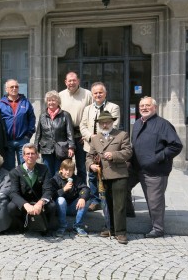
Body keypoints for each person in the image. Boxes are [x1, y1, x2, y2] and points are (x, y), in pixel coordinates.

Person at [131, 97, 183, 238]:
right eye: (141, 105)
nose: (144, 108)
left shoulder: (163, 124)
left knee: (154, 202)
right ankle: (128, 211)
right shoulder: (137, 124)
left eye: (147, 105)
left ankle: (158, 229)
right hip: (136, 169)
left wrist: (157, 158)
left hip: (155, 171)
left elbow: (176, 145)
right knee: (120, 186)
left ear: (155, 107)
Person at [86, 111, 132, 244]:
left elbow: (128, 152)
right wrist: (91, 166)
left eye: (107, 122)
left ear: (112, 122)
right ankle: (110, 228)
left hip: (118, 174)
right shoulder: (95, 138)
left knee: (119, 205)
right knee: (107, 204)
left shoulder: (121, 135)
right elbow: (89, 156)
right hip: (103, 176)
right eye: (102, 123)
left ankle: (121, 232)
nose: (105, 125)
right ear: (99, 124)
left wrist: (114, 155)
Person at [80, 82, 120, 212]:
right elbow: (83, 126)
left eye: (100, 92)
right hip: (90, 147)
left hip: (107, 147)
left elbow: (114, 126)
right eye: (95, 93)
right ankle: (95, 200)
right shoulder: (87, 109)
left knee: (106, 173)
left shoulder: (113, 107)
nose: (98, 95)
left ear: (105, 93)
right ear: (92, 95)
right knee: (91, 175)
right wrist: (91, 136)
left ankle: (106, 199)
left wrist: (99, 139)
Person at [8, 143, 57, 234]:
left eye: (32, 153)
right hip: (24, 201)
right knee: (11, 207)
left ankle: (45, 227)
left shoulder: (44, 169)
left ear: (37, 155)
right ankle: (21, 226)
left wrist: (40, 203)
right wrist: (25, 204)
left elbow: (48, 190)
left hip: (38, 200)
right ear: (23, 156)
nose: (30, 156)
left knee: (52, 206)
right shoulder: (15, 172)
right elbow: (13, 193)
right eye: (27, 154)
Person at [59, 72, 92, 183]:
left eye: (74, 80)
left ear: (78, 81)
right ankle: (67, 190)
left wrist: (88, 134)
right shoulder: (60, 95)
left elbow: (92, 114)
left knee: (81, 166)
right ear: (65, 82)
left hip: (81, 136)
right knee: (66, 166)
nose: (72, 83)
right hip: (65, 136)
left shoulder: (87, 94)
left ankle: (82, 191)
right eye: (69, 80)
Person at [0, 79, 36, 171]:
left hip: (22, 140)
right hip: (7, 141)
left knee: (25, 166)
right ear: (6, 89)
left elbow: (31, 119)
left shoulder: (25, 102)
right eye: (12, 87)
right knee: (9, 167)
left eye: (16, 87)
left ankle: (24, 185)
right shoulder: (1, 103)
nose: (14, 88)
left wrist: (28, 134)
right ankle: (11, 185)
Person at [34, 90, 75, 176]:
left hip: (61, 149)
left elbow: (70, 132)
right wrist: (35, 149)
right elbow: (38, 134)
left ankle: (59, 189)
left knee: (60, 172)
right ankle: (49, 189)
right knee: (47, 173)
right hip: (46, 149)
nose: (51, 102)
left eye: (53, 100)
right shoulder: (42, 116)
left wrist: (71, 147)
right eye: (49, 100)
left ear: (58, 101)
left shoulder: (65, 115)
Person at [50, 159, 90, 237]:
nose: (68, 172)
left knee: (86, 200)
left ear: (73, 171)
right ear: (61, 169)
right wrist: (63, 190)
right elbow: (51, 194)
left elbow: (85, 189)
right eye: (66, 170)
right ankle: (62, 226)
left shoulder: (77, 179)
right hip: (60, 208)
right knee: (60, 200)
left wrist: (82, 198)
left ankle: (77, 226)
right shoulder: (55, 179)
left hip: (73, 207)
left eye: (70, 170)